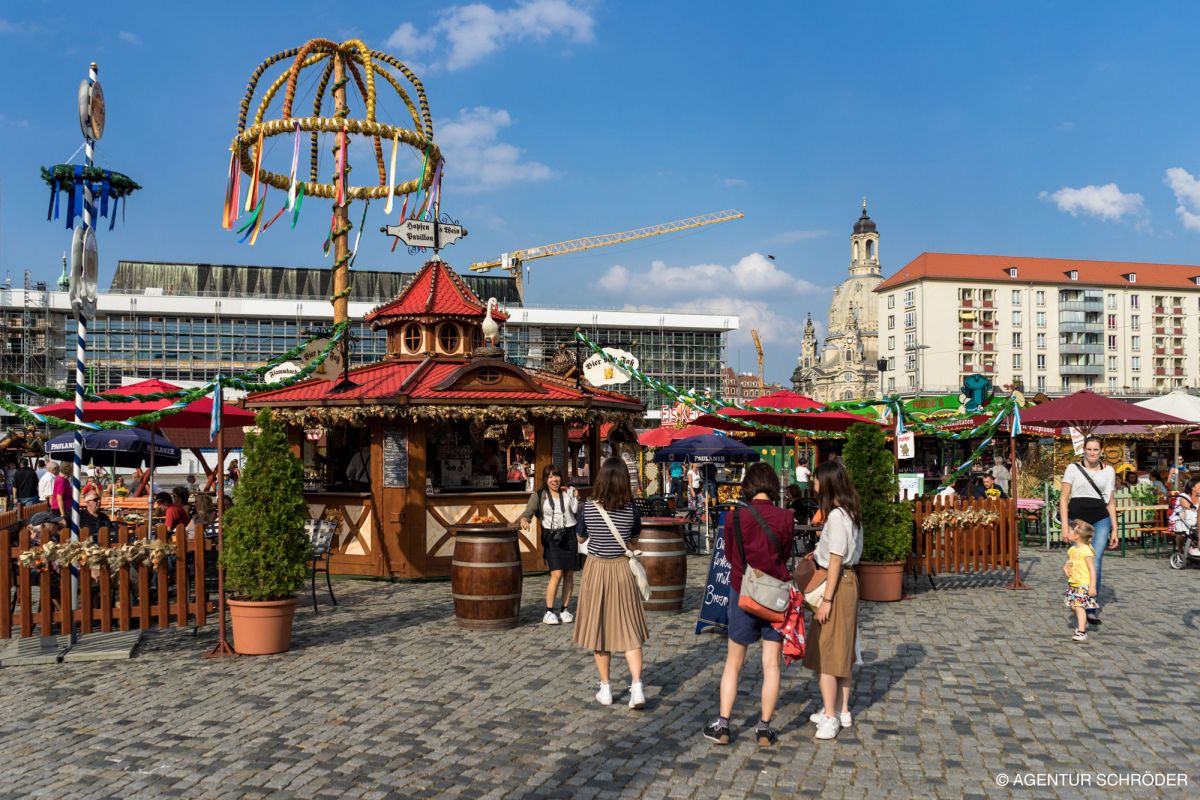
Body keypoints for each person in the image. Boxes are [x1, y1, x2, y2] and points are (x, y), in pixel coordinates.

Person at [703, 462, 795, 747]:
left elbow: (730, 556)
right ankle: (764, 728)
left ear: (748, 486)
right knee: (771, 664)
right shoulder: (786, 517)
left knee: (734, 662)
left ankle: (723, 724)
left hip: (743, 593)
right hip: (775, 596)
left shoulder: (734, 517)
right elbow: (786, 555)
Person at [573, 457, 649, 709]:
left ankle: (605, 688)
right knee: (630, 630)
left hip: (596, 570)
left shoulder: (588, 507)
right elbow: (634, 541)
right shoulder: (631, 509)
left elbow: (581, 537)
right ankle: (637, 688)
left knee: (599, 629)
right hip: (622, 570)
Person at [804, 460, 863, 741]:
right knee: (843, 649)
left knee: (828, 651)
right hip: (846, 581)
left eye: (816, 480)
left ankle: (830, 715)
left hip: (836, 583)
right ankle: (842, 709)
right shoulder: (850, 512)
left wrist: (826, 599)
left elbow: (836, 559)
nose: (814, 485)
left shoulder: (838, 516)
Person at [1058, 436, 1116, 627]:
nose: (1092, 453)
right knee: (1078, 559)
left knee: (1095, 560)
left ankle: (1089, 607)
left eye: (1095, 449)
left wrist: (1115, 529)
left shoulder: (1109, 471)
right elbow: (1063, 498)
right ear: (1083, 450)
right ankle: (1077, 597)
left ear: (1101, 451)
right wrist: (1065, 526)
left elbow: (1110, 501)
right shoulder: (1072, 468)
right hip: (1078, 520)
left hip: (1100, 518)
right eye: (1089, 449)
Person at [519, 464, 580, 624]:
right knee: (557, 573)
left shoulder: (567, 492)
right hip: (551, 537)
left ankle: (565, 610)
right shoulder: (539, 495)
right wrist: (525, 520)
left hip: (569, 535)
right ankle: (549, 611)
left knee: (569, 574)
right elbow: (528, 513)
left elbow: (575, 511)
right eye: (550, 476)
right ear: (545, 479)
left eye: (557, 475)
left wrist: (576, 497)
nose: (554, 479)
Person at [1062, 519, 1098, 642]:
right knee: (1073, 606)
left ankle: (1081, 632)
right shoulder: (1072, 550)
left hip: (1083, 584)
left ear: (1076, 536)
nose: (1067, 533)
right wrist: (1065, 568)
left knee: (1078, 607)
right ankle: (1083, 621)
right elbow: (1069, 562)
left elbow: (1092, 570)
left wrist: (1092, 586)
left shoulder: (1086, 551)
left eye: (1070, 531)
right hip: (1073, 583)